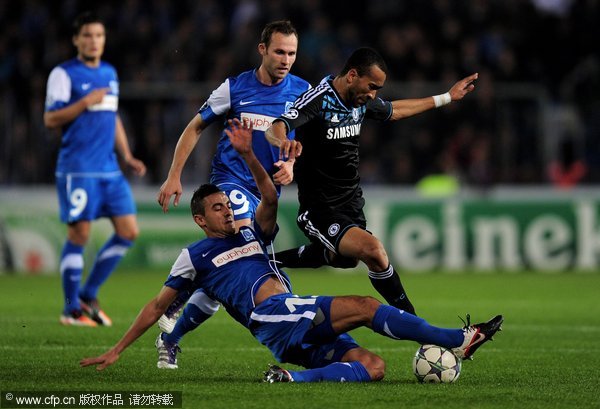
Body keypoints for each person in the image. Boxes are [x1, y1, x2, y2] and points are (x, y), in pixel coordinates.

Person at [80, 118, 503, 382]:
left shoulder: (252, 235)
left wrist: (248, 155)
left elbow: (268, 197)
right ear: (199, 220)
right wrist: (117, 349)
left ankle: (290, 379)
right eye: (217, 209)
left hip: (289, 330)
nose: (228, 212)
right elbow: (157, 307)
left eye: (228, 205)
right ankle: (459, 339)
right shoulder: (194, 257)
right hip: (273, 315)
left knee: (374, 366)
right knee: (364, 305)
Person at [266, 47, 479, 316]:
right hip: (320, 208)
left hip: (352, 203)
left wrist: (447, 97)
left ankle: (270, 260)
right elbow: (277, 125)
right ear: (352, 75)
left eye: (377, 89)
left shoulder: (360, 100)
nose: (373, 95)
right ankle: (416, 323)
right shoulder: (318, 99)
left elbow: (395, 110)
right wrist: (284, 143)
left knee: (344, 259)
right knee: (374, 251)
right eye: (371, 87)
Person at [154, 20, 310, 368]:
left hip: (267, 192)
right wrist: (174, 175)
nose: (286, 59)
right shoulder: (235, 88)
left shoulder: (302, 91)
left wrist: (292, 167)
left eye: (292, 53)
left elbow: (304, 143)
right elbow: (195, 127)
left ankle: (172, 331)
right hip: (232, 183)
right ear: (263, 50)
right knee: (242, 252)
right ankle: (184, 293)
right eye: (280, 52)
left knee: (228, 273)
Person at [44, 12, 146, 327]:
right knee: (80, 234)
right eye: (87, 35)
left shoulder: (109, 72)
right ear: (76, 40)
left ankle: (88, 295)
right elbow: (50, 119)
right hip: (78, 167)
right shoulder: (64, 74)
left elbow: (112, 116)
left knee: (129, 231)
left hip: (109, 168)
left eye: (98, 35)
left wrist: (126, 154)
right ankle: (71, 308)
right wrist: (84, 101)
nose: (93, 41)